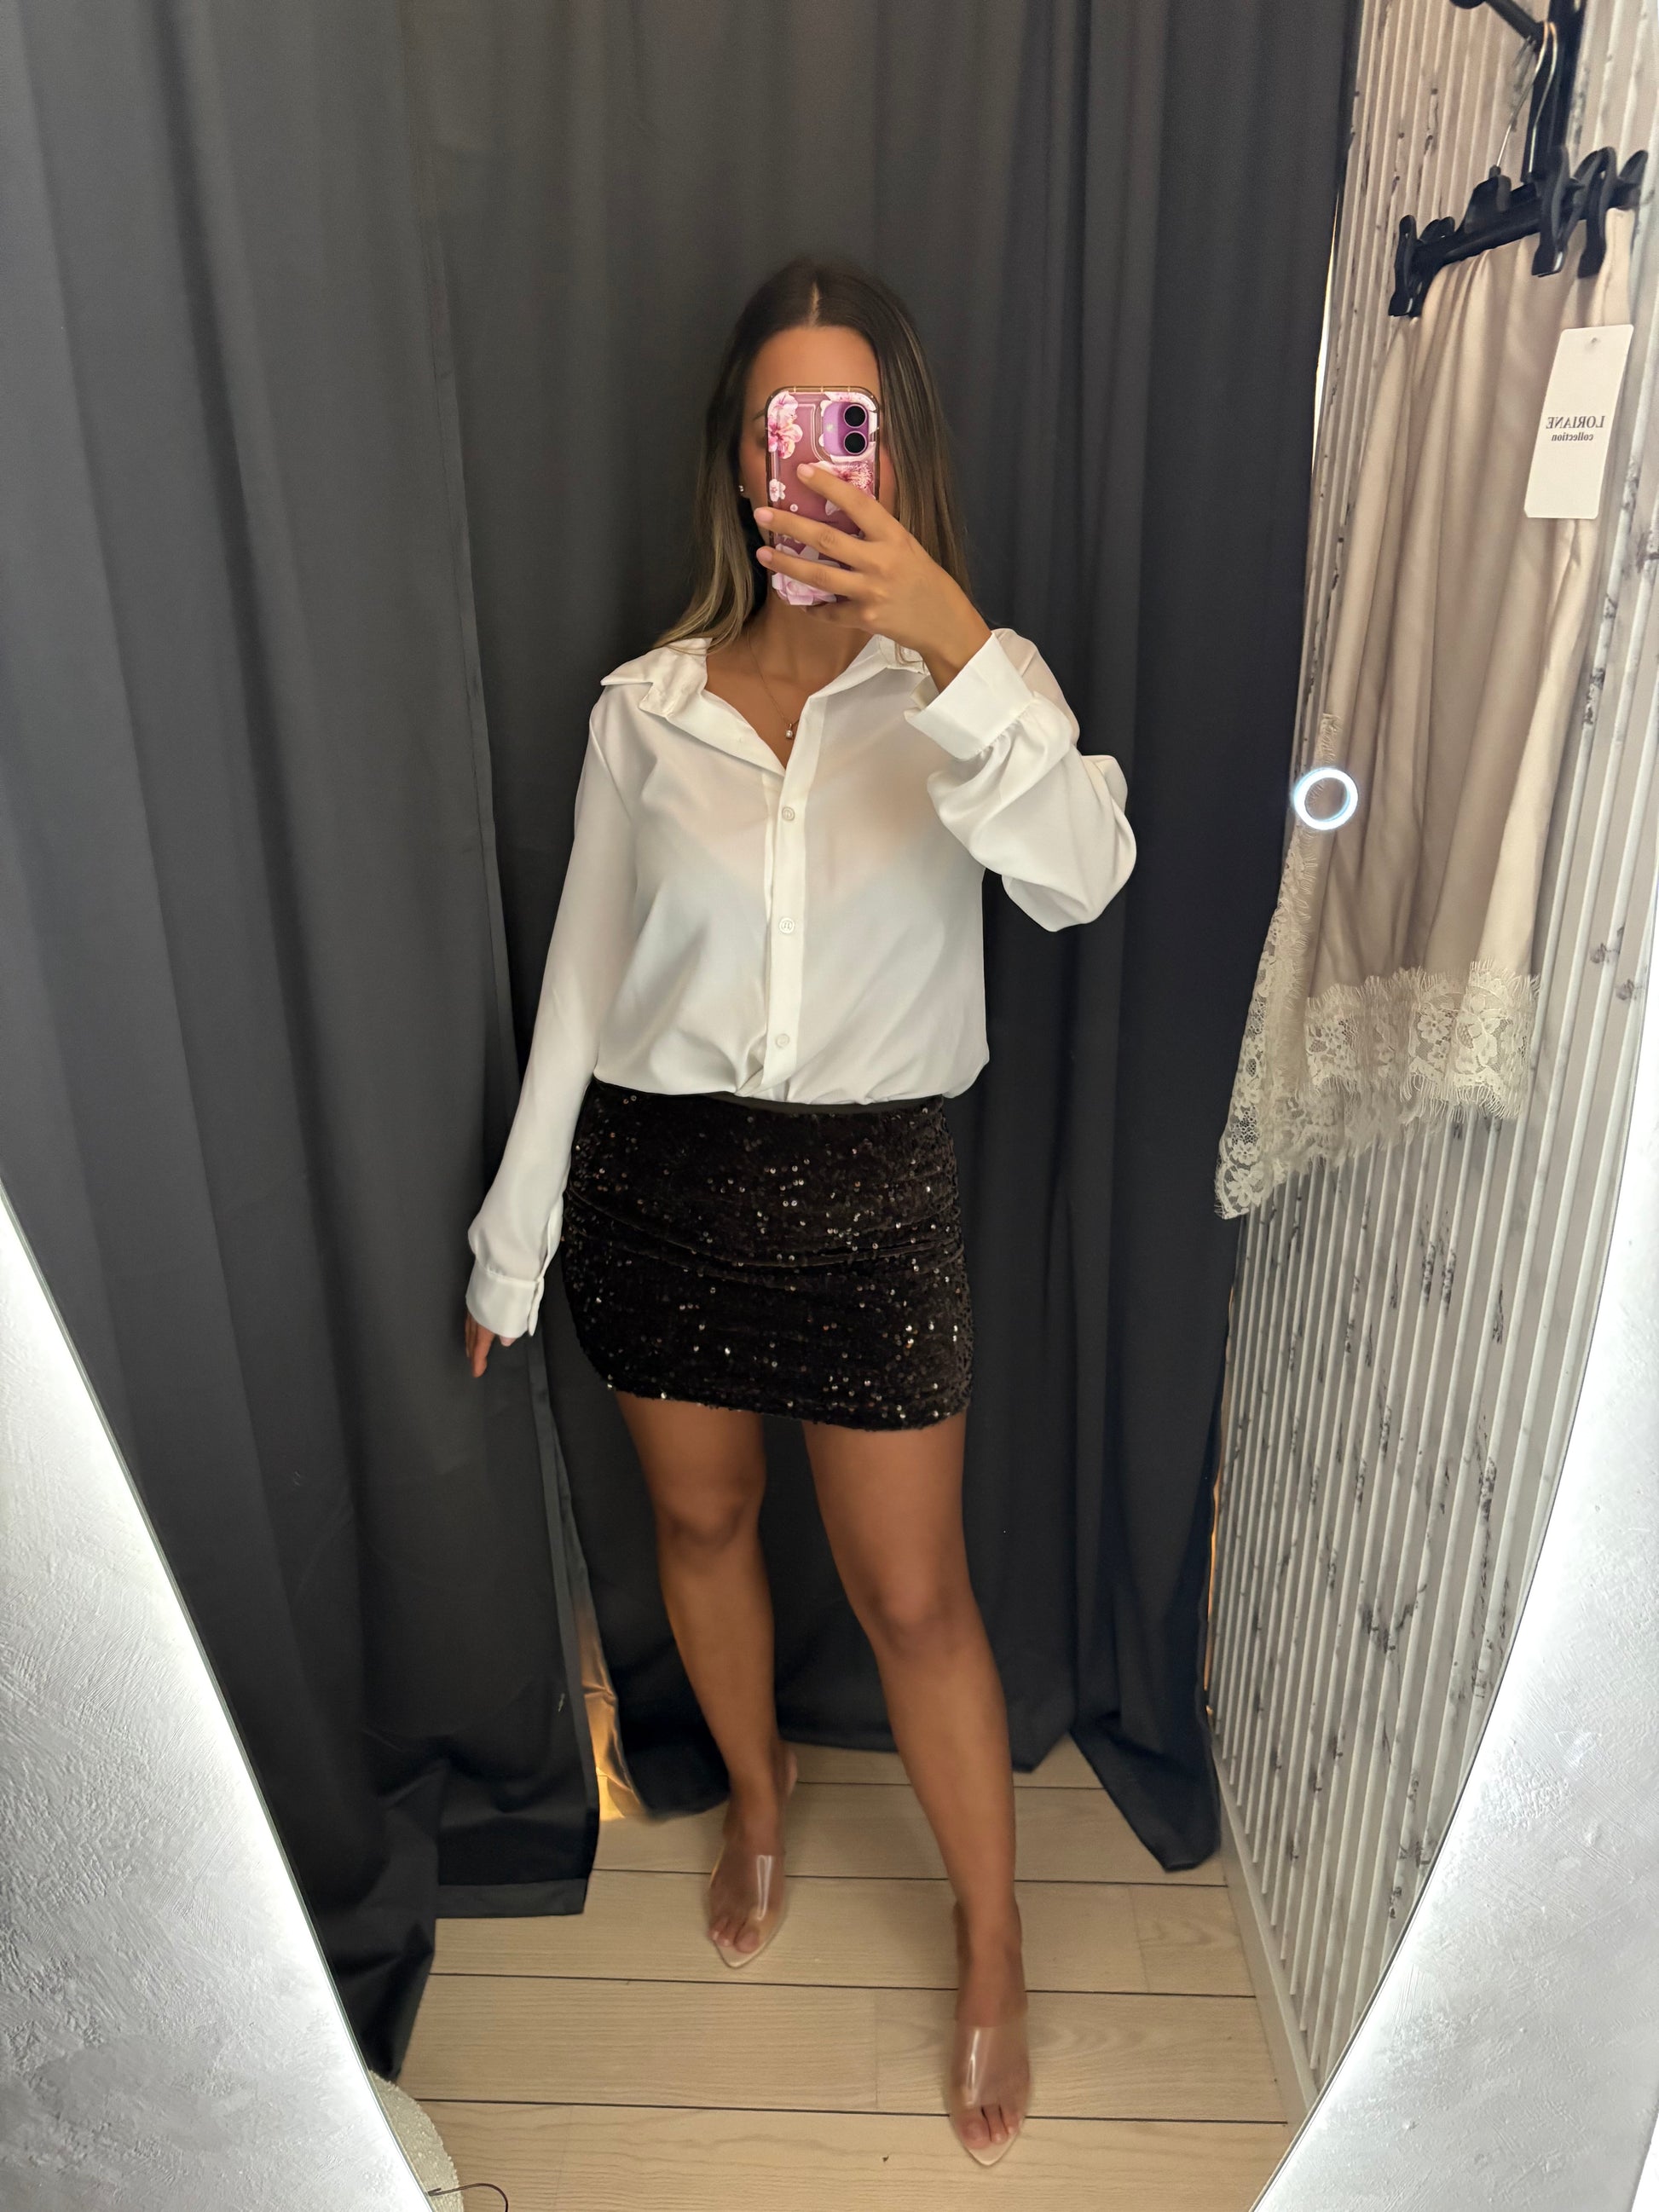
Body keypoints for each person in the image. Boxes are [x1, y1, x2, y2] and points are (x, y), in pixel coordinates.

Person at [462, 256, 1135, 2168]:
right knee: (697, 1521)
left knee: (915, 1594)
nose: (815, 460)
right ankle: (756, 1801)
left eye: (851, 425)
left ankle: (990, 1935)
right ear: (738, 457)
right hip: (659, 1187)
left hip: (873, 1199)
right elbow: (579, 988)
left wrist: (951, 637)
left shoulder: (969, 693)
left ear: (896, 452)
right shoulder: (646, 710)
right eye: (785, 424)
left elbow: (1084, 877)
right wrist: (513, 1243)